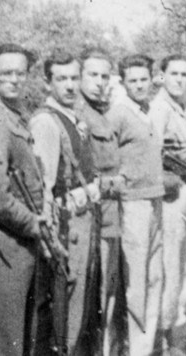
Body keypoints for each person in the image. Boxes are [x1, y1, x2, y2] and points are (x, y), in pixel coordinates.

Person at [0, 43, 47, 356]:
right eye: (6, 73)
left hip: (22, 238)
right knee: (9, 334)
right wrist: (34, 225)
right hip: (7, 238)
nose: (14, 80)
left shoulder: (15, 114)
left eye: (20, 73)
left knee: (22, 331)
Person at [30, 53, 102, 356]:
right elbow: (43, 185)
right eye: (62, 79)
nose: (70, 86)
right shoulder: (46, 122)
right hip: (65, 224)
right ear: (48, 82)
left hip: (82, 219)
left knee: (78, 302)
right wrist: (49, 236)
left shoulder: (74, 118)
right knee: (63, 305)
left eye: (74, 78)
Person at [107, 55, 164, 356]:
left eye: (144, 79)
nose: (140, 85)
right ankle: (134, 348)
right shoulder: (118, 114)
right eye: (133, 81)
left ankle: (146, 346)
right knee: (136, 282)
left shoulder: (149, 111)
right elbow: (106, 158)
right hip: (132, 205)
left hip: (155, 201)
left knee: (155, 277)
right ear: (123, 82)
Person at [149, 55, 186, 356]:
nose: (180, 79)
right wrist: (169, 181)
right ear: (162, 76)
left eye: (185, 74)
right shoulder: (160, 109)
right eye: (174, 74)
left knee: (182, 268)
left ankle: (174, 335)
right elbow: (151, 155)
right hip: (170, 196)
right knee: (169, 269)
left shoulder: (180, 109)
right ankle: (163, 339)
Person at [76, 48, 127, 355]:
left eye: (104, 76)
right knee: (91, 297)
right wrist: (114, 183)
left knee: (107, 294)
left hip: (112, 217)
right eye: (92, 75)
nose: (99, 82)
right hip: (93, 218)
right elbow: (83, 175)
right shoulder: (80, 115)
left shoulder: (103, 113)